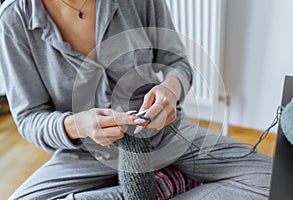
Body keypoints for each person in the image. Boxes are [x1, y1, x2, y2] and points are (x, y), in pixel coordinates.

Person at [0, 0, 272, 199]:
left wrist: (171, 89)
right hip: (85, 152)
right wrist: (77, 125)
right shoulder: (14, 20)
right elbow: (29, 117)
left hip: (163, 134)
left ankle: (155, 188)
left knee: (271, 180)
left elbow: (176, 62)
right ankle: (164, 185)